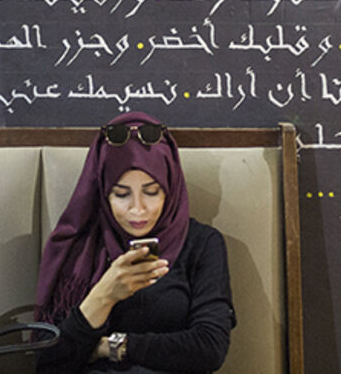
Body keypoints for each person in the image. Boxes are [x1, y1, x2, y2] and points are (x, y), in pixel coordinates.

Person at [35, 111, 235, 373]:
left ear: (170, 189)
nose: (138, 209)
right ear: (103, 193)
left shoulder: (201, 243)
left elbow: (210, 348)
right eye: (121, 194)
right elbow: (48, 364)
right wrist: (104, 295)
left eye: (151, 192)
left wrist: (111, 346)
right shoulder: (78, 247)